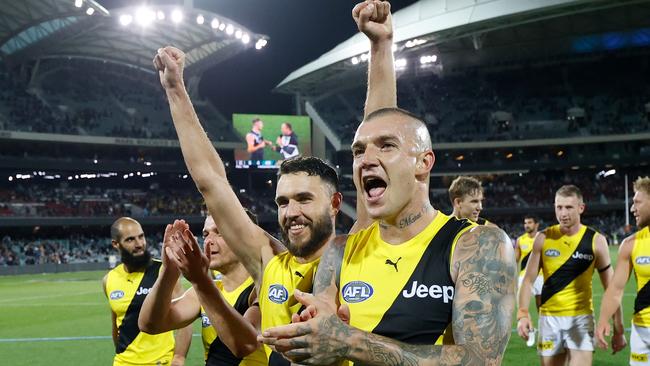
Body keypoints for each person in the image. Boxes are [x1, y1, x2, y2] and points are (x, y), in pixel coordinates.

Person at [258, 2, 516, 365]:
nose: (366, 159)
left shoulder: (475, 245)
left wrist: (350, 342)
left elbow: (480, 360)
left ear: (423, 163)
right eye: (358, 150)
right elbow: (330, 342)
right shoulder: (339, 252)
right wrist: (313, 340)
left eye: (387, 146)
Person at [153, 45, 358, 366]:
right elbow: (210, 181)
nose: (291, 212)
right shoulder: (271, 262)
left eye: (304, 198)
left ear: (334, 204)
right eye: (283, 202)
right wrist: (176, 89)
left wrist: (380, 45)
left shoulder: (357, 259)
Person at [517, 185, 625, 365]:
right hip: (549, 319)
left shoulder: (596, 241)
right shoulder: (543, 238)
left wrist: (618, 328)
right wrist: (522, 313)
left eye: (569, 207)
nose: (563, 213)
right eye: (559, 207)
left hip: (581, 319)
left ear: (581, 208)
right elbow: (528, 280)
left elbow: (612, 289)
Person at [138, 214, 266, 366]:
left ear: (248, 237)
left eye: (219, 232)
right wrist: (169, 272)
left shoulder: (263, 287)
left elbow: (244, 345)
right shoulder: (206, 290)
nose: (209, 240)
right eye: (206, 234)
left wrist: (200, 281)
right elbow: (150, 324)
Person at [102, 217, 191, 366]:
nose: (139, 244)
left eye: (141, 237)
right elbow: (117, 325)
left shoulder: (164, 271)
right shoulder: (108, 280)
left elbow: (185, 321)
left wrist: (179, 358)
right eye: (130, 240)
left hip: (160, 361)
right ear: (115, 244)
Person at [597, 177, 650, 364]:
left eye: (637, 202)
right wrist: (604, 320)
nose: (632, 209)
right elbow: (615, 290)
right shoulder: (630, 245)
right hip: (642, 332)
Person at [515, 215, 543, 310]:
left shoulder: (543, 238)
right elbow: (515, 259)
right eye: (525, 223)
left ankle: (541, 324)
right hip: (524, 276)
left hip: (540, 275)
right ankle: (523, 324)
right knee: (522, 304)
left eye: (530, 223)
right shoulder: (520, 240)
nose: (527, 225)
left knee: (540, 304)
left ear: (536, 225)